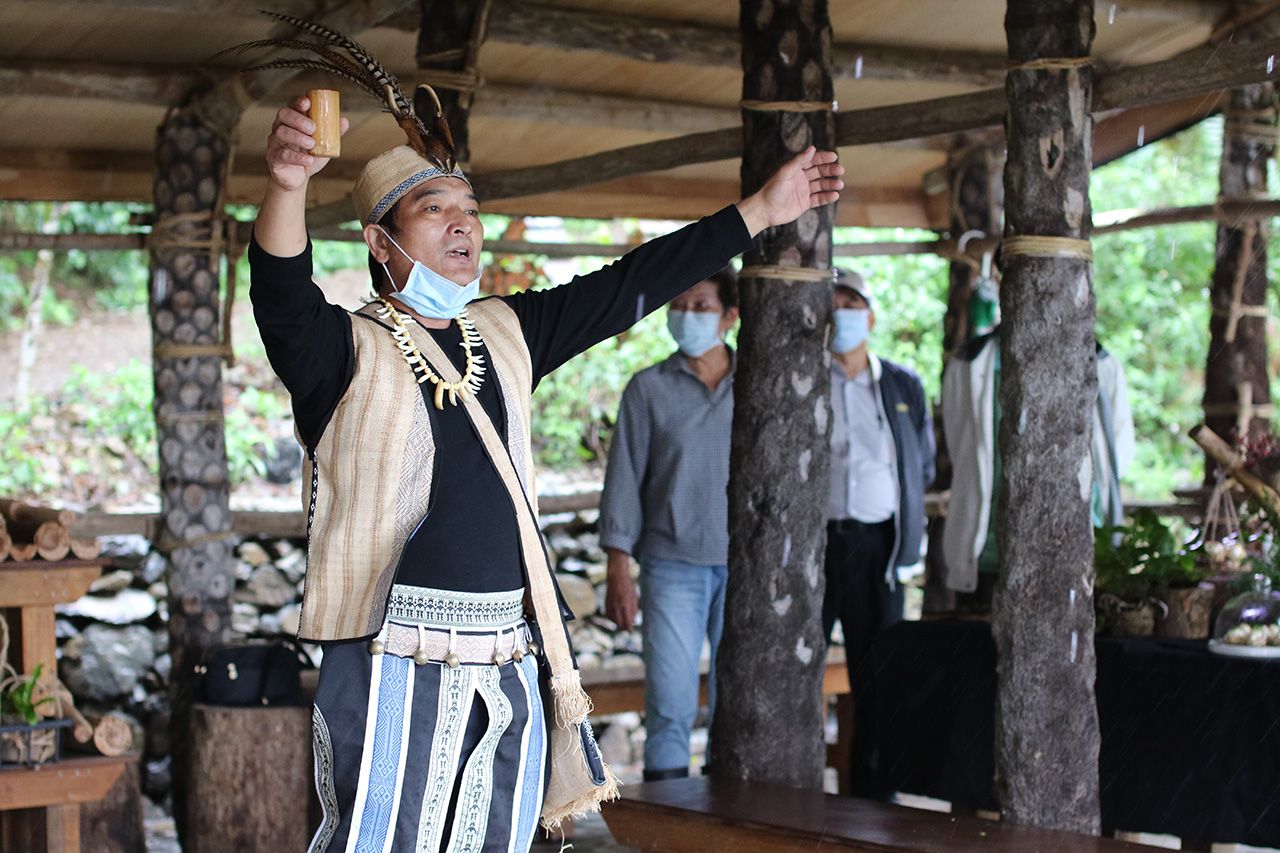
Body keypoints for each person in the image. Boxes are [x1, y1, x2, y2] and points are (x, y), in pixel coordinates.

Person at [249, 88, 843, 851]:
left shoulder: (504, 331)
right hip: (395, 657)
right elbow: (282, 296)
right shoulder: (342, 351)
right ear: (379, 240)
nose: (464, 222)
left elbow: (628, 284)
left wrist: (758, 211)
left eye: (469, 207)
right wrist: (288, 185)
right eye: (434, 209)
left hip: (510, 655)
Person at [599, 268, 739, 782]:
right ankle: (668, 828)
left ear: (730, 316)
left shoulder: (758, 384)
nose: (686, 315)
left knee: (740, 705)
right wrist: (619, 567)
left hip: (744, 568)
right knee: (670, 704)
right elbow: (624, 481)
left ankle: (730, 824)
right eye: (679, 304)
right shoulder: (648, 389)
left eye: (701, 306)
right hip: (671, 566)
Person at [939, 326, 1135, 596]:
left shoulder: (1101, 360)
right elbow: (960, 446)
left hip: (1077, 549)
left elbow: (1117, 455)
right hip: (990, 552)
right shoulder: (970, 361)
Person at [823, 270, 935, 682]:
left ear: (870, 318)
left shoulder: (902, 384)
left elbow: (921, 465)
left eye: (851, 306)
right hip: (815, 545)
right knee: (796, 670)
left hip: (878, 547)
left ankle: (871, 750)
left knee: (880, 673)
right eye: (833, 306)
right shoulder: (804, 382)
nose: (841, 314)